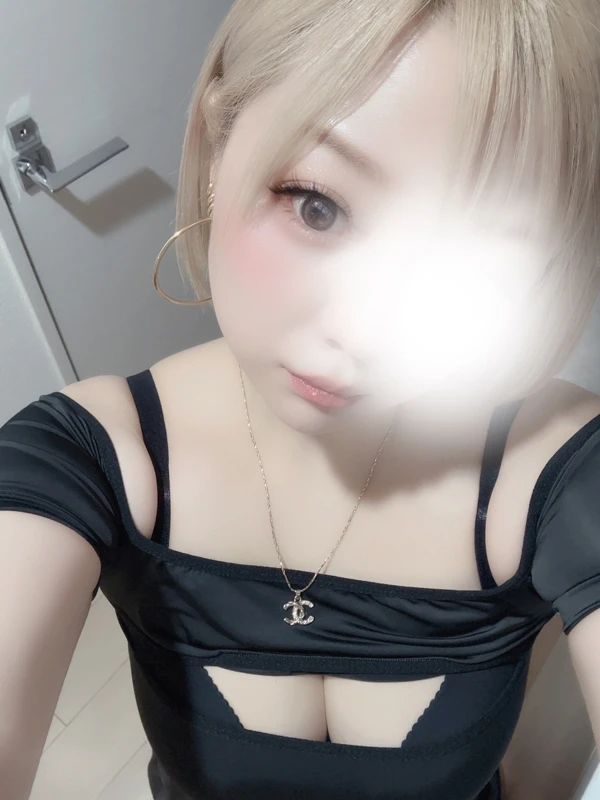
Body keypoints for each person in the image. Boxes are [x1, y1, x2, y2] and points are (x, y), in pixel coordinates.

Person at [1, 1, 600, 798]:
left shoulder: (556, 470)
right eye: (318, 206)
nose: (364, 333)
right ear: (217, 139)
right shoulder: (87, 459)